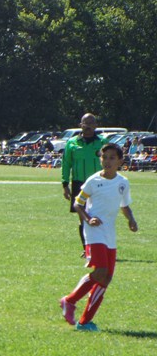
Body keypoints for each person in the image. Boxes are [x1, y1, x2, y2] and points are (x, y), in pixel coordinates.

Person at [60, 144, 138, 332]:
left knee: (106, 278)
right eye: (104, 157)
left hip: (109, 232)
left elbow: (124, 205)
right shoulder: (93, 181)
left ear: (120, 161)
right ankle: (69, 300)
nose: (107, 161)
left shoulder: (123, 182)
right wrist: (88, 218)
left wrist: (131, 219)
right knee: (101, 270)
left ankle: (85, 322)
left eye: (112, 158)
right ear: (100, 159)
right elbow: (78, 203)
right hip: (94, 231)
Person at [62, 113, 105, 252]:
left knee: (100, 216)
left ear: (96, 125)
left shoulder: (102, 142)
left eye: (91, 123)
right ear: (80, 125)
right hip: (79, 183)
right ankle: (86, 249)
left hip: (99, 184)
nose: (88, 126)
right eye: (86, 123)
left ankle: (101, 247)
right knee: (83, 217)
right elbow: (66, 164)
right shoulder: (72, 143)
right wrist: (65, 184)